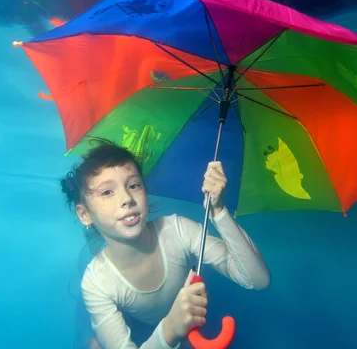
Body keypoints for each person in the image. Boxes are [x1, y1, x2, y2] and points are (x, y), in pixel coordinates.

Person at [61, 139, 270, 349]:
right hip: (135, 317)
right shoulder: (97, 282)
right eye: (107, 192)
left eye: (134, 185)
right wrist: (170, 327)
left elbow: (257, 279)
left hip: (168, 314)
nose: (127, 198)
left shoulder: (178, 231)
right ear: (84, 214)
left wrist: (217, 210)